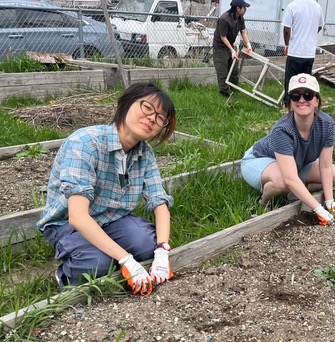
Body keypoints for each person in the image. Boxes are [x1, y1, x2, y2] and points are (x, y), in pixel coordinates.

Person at [37, 83, 178, 296]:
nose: (152, 119)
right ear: (126, 103)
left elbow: (159, 202)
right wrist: (126, 259)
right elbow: (77, 217)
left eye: (160, 118)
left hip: (112, 219)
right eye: (147, 108)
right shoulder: (85, 143)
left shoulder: (144, 153)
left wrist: (162, 251)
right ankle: (65, 274)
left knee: (148, 243)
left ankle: (110, 251)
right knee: (96, 264)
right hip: (67, 224)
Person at [240, 73, 335, 226]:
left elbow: (325, 165)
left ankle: (292, 194)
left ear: (317, 101)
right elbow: (290, 178)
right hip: (259, 159)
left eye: (308, 95)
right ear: (290, 103)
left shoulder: (327, 124)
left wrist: (330, 202)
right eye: (295, 96)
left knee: (333, 173)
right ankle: (264, 202)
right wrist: (318, 209)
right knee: (282, 182)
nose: (302, 100)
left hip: (295, 164)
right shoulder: (283, 130)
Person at [282, 0, 324, 105]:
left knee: (291, 81)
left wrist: (287, 44)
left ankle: (289, 104)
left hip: (295, 51)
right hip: (309, 52)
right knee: (305, 81)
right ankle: (305, 102)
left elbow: (287, 30)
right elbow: (319, 26)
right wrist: (310, 34)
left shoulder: (293, 6)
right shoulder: (317, 6)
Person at [212, 0, 252, 97]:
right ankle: (224, 93)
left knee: (234, 70)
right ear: (238, 8)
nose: (245, 9)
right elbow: (223, 37)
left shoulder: (240, 18)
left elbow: (243, 31)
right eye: (244, 7)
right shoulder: (224, 19)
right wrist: (232, 50)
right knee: (223, 72)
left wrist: (248, 44)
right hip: (220, 48)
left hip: (230, 46)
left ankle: (235, 90)